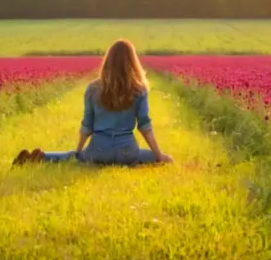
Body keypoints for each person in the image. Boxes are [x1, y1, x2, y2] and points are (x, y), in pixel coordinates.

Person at [13, 38, 173, 167]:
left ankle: (43, 157)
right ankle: (156, 158)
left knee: (79, 157)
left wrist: (78, 151)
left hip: (99, 150)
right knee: (157, 157)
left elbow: (87, 126)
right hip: (127, 152)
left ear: (108, 61)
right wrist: (159, 156)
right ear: (132, 62)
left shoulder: (93, 88)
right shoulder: (140, 89)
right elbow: (145, 126)